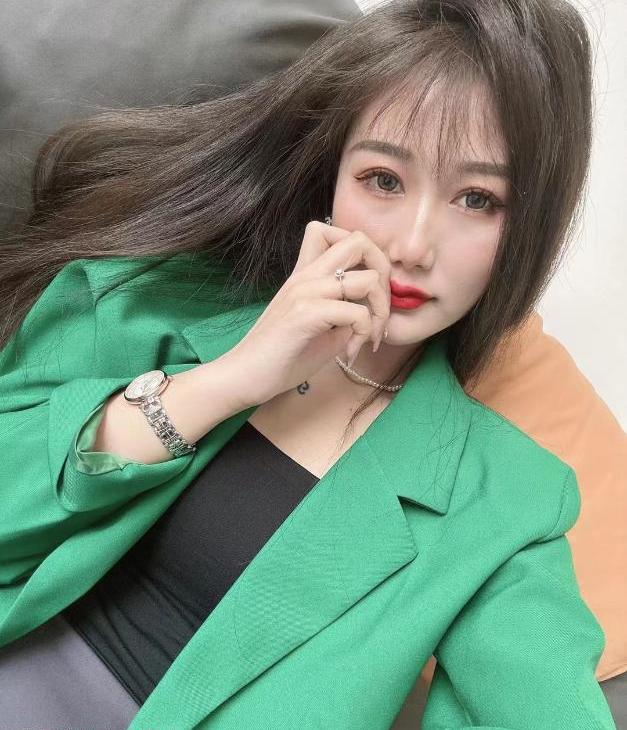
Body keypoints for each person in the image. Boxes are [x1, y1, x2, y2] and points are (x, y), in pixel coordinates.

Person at [0, 0, 619, 728]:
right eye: (383, 180)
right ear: (333, 177)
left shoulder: (505, 502)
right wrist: (231, 379)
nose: (412, 245)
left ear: (528, 228)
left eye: (477, 199)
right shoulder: (145, 301)